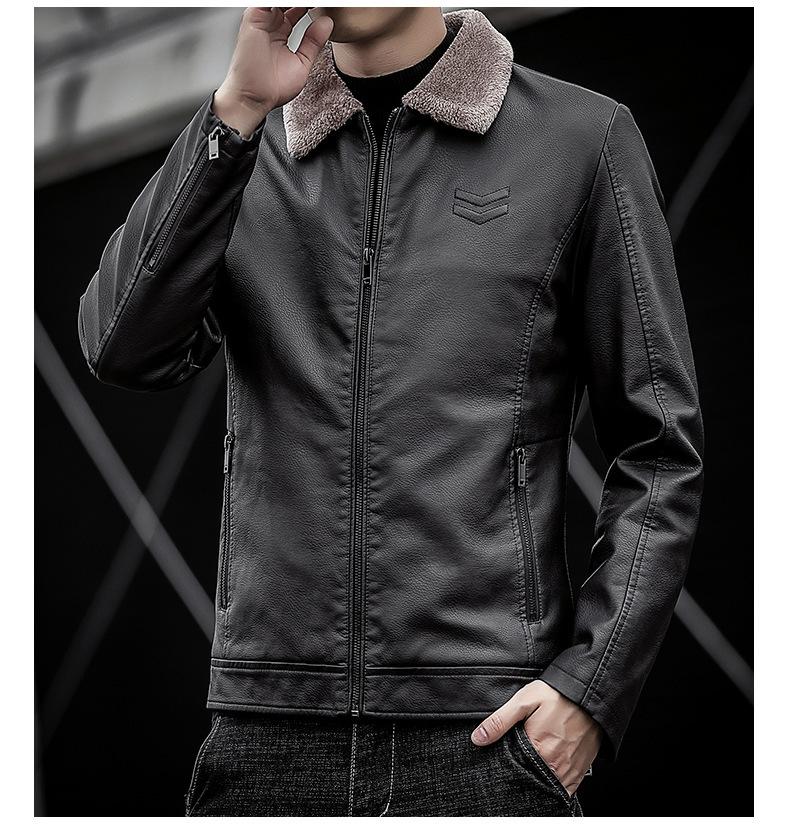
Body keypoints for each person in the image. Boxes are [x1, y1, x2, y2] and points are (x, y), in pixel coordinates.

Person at [77, 6, 704, 817]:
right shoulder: (245, 144)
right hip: (269, 730)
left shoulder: (580, 137)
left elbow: (659, 446)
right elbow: (123, 349)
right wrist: (235, 109)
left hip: (484, 731)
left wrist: (591, 685)